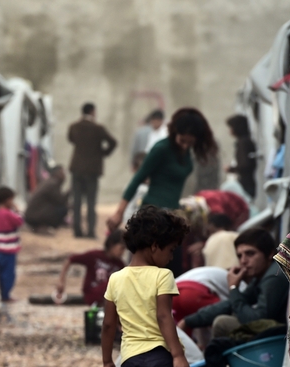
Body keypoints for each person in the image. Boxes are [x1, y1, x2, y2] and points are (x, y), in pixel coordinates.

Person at [102, 206, 191, 367]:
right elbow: (164, 317)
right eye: (171, 250)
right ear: (154, 245)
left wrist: (108, 361)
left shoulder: (115, 279)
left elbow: (109, 325)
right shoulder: (162, 276)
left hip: (131, 362)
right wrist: (178, 355)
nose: (171, 257)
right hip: (162, 361)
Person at [107, 108, 217, 276]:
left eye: (190, 142)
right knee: (149, 268)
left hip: (172, 216)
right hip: (153, 215)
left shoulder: (186, 152)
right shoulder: (161, 149)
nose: (186, 145)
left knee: (172, 271)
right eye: (182, 140)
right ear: (175, 132)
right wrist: (119, 212)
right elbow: (137, 179)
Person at [177, 228, 289, 338]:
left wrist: (233, 287)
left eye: (250, 254)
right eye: (240, 256)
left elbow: (256, 320)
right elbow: (229, 305)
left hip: (280, 336)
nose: (243, 261)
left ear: (269, 254)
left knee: (222, 323)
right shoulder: (260, 276)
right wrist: (188, 321)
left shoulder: (274, 276)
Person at [68, 102, 118, 238]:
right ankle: (90, 231)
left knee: (77, 201)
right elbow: (113, 142)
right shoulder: (98, 128)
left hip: (76, 168)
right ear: (92, 112)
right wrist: (103, 153)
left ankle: (77, 231)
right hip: (92, 170)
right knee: (91, 202)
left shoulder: (74, 126)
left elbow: (71, 140)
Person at [56, 230, 126, 307]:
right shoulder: (94, 256)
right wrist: (61, 280)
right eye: (121, 248)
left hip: (107, 299)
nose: (123, 252)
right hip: (92, 293)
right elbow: (70, 259)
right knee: (111, 283)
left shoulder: (120, 264)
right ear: (112, 244)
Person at [0, 187, 24, 321]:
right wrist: (18, 210)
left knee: (1, 274)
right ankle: (6, 295)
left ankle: (3, 294)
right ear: (8, 200)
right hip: (9, 249)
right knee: (9, 273)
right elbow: (20, 221)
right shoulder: (9, 214)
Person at [174, 267, 229, 341]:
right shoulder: (243, 284)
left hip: (172, 294)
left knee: (185, 342)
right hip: (192, 292)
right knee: (225, 321)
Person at [24, 166, 70, 232]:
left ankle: (41, 225)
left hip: (31, 215)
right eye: (62, 172)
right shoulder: (53, 184)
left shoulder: (49, 181)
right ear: (57, 173)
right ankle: (42, 225)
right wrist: (70, 191)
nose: (64, 175)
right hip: (34, 217)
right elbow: (60, 201)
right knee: (63, 209)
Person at [226, 114, 257, 199]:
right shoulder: (246, 140)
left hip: (245, 184)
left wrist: (231, 169)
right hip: (248, 183)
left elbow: (245, 164)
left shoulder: (243, 143)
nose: (230, 130)